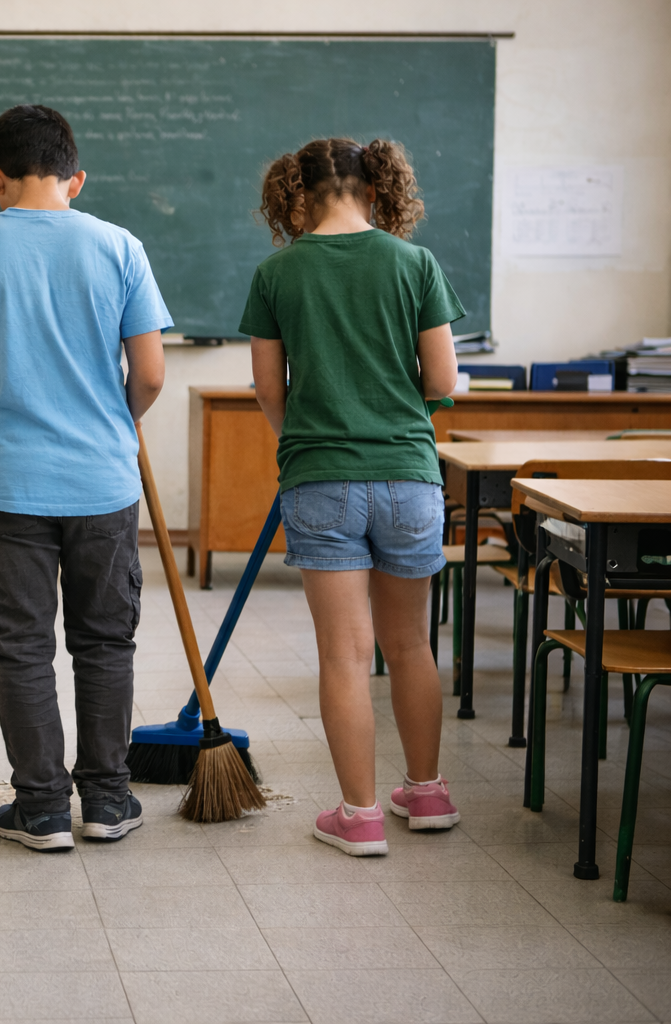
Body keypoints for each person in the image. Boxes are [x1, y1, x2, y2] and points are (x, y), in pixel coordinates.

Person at [0, 105, 170, 852]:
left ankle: (38, 810)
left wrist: (3, 425)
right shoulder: (119, 245)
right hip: (103, 479)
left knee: (22, 645)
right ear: (77, 178)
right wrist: (113, 424)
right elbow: (152, 374)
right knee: (104, 641)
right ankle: (105, 800)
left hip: (8, 481)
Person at [243, 137, 463, 857]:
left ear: (296, 195)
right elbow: (443, 383)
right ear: (376, 189)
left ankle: (361, 815)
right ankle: (426, 794)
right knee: (409, 645)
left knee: (344, 655)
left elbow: (270, 391)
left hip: (321, 476)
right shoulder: (415, 263)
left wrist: (300, 437)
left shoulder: (277, 272)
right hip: (409, 476)